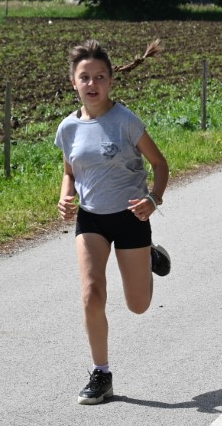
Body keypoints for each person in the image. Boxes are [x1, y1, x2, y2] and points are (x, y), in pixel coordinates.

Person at [55, 39, 170, 405]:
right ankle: (101, 373)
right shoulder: (68, 128)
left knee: (138, 305)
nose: (93, 84)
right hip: (91, 219)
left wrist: (153, 199)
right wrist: (65, 196)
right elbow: (70, 171)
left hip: (131, 216)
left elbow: (160, 164)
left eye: (100, 76)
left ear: (111, 80)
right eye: (85, 77)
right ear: (73, 82)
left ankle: (148, 255)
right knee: (92, 294)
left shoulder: (125, 121)